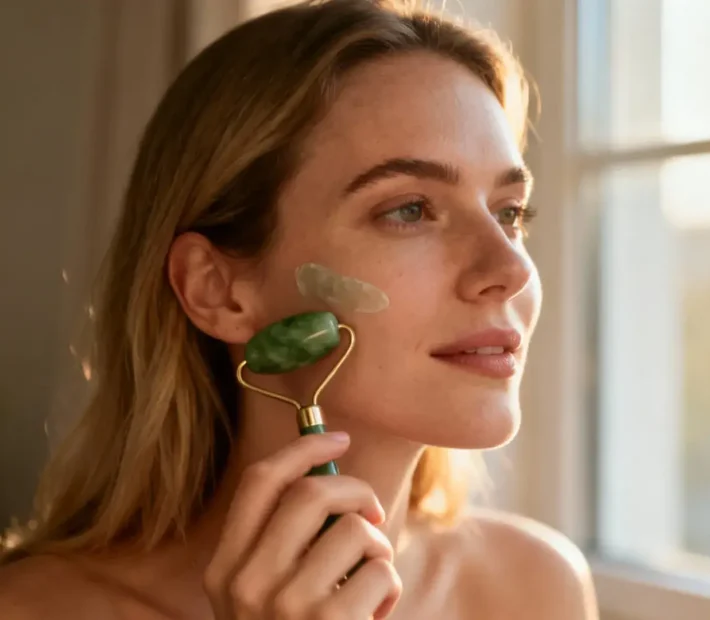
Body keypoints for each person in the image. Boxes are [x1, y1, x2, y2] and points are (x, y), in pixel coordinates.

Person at [0, 1, 598, 618]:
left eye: (510, 213)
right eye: (409, 210)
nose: (511, 269)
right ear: (217, 290)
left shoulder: (535, 586)